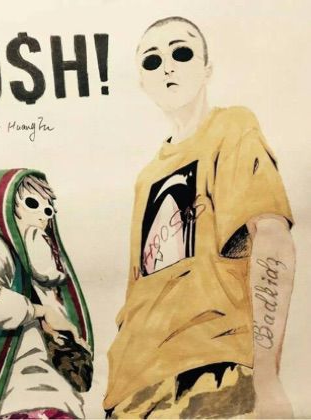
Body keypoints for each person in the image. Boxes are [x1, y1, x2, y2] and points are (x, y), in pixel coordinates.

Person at [104, 16, 295, 419]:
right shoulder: (146, 178)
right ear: (142, 81)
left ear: (206, 69)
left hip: (212, 369)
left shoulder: (232, 127)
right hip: (132, 389)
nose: (167, 67)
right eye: (152, 60)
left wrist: (267, 379)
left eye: (182, 52)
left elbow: (271, 237)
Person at [0, 169, 94, 419]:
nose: (43, 216)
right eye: (32, 204)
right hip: (17, 393)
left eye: (48, 210)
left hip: (58, 395)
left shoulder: (47, 266)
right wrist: (40, 311)